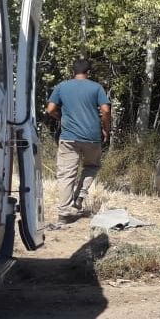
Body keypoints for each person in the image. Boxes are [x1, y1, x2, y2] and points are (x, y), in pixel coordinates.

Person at [46, 58, 111, 224]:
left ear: (72, 72)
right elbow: (105, 110)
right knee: (92, 166)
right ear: (88, 72)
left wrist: (60, 117)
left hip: (69, 137)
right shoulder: (96, 87)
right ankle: (79, 197)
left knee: (67, 174)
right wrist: (106, 129)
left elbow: (50, 109)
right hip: (92, 136)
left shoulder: (62, 86)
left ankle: (64, 213)